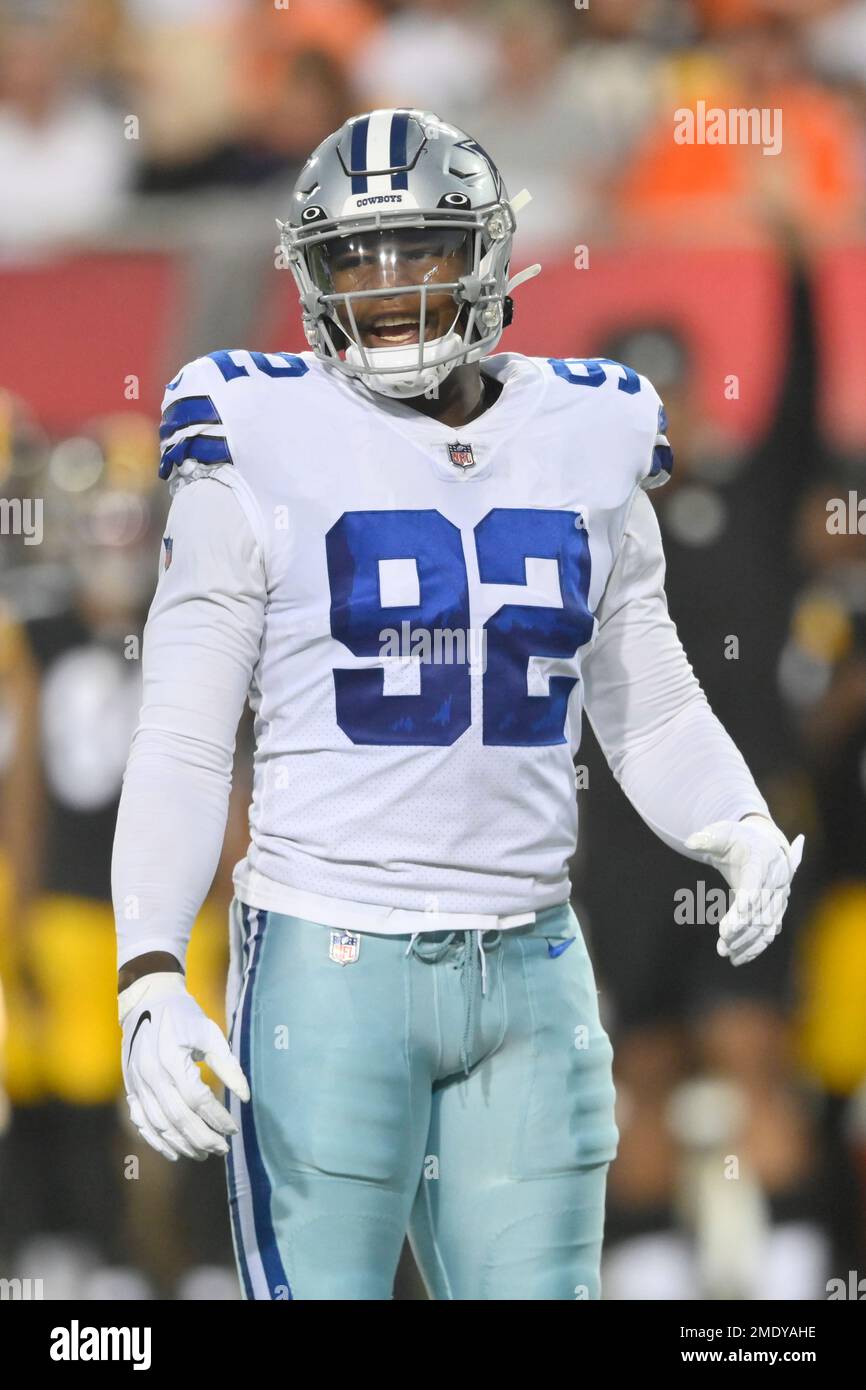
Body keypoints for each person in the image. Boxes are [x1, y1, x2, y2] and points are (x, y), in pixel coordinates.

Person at [111, 108, 804, 1301]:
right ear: (310, 273)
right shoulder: (253, 432)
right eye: (352, 260)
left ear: (485, 253)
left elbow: (643, 693)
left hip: (534, 959)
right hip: (326, 959)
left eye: (416, 249)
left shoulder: (589, 427)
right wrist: (147, 972)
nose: (382, 289)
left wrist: (732, 821)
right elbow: (180, 731)